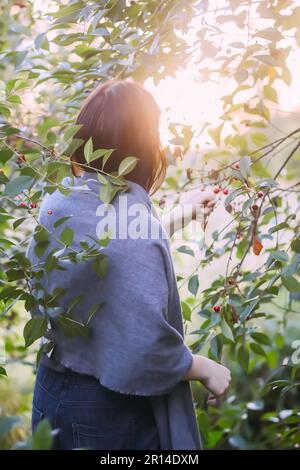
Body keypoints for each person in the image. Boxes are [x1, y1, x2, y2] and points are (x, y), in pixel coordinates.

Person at [26, 78, 231, 450]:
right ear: (144, 149)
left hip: (51, 391)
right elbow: (145, 349)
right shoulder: (134, 230)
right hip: (107, 411)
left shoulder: (59, 201)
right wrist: (206, 368)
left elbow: (108, 246)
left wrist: (182, 212)